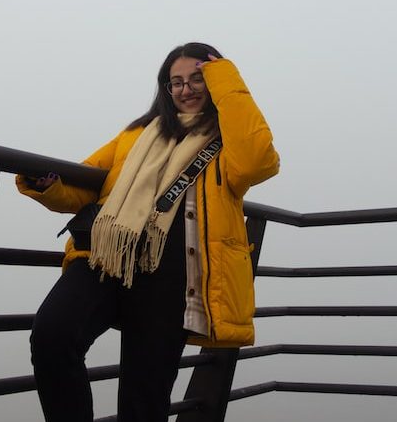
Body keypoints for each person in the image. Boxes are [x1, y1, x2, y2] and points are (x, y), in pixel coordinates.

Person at [16, 42, 279, 422]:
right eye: (176, 82)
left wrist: (226, 77)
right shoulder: (137, 133)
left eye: (198, 78)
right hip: (106, 259)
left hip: (174, 278)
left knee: (145, 396)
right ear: (165, 89)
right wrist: (47, 184)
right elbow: (87, 184)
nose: (186, 89)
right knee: (52, 336)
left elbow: (259, 159)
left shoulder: (230, 142)